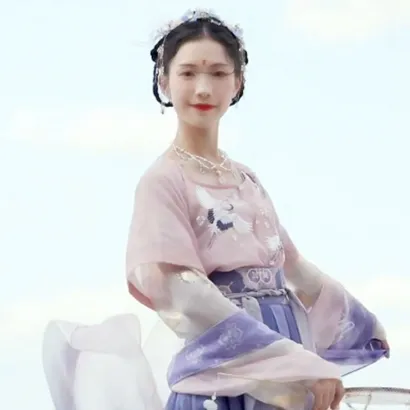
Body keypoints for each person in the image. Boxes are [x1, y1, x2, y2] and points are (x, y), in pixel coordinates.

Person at [42, 9, 389, 410]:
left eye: (219, 73)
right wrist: (295, 363)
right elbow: (186, 296)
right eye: (188, 73)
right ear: (164, 80)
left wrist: (362, 322)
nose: (203, 89)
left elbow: (291, 266)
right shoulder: (163, 181)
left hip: (286, 365)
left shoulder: (246, 179)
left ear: (237, 82)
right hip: (222, 375)